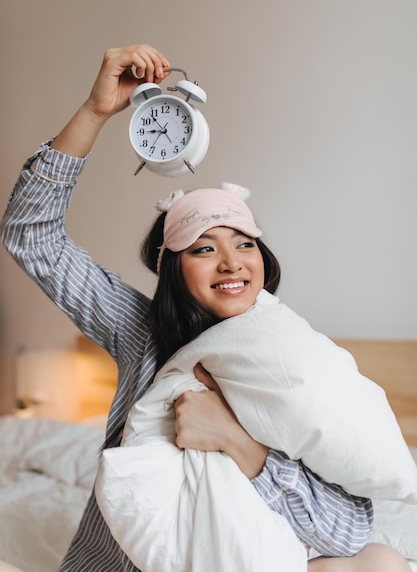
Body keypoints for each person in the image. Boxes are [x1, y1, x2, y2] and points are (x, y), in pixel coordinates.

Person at [0, 44, 411, 572]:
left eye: (244, 244)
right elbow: (31, 236)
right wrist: (95, 111)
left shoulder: (289, 361)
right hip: (141, 560)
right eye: (202, 247)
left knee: (381, 561)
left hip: (247, 555)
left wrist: (237, 441)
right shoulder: (141, 333)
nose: (230, 263)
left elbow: (344, 529)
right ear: (174, 267)